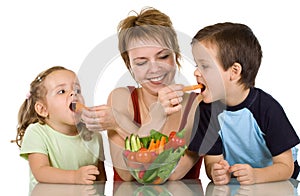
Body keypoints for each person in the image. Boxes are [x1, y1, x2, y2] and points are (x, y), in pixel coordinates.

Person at [81, 7, 203, 181]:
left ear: (175, 55)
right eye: (141, 62)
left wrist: (120, 123)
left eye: (163, 56)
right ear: (129, 65)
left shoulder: (198, 104)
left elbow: (167, 174)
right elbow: (127, 175)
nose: (154, 68)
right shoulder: (120, 98)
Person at [188, 22, 300, 185]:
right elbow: (212, 162)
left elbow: (286, 166)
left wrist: (256, 176)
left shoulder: (267, 108)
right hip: (240, 185)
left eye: (205, 66)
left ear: (234, 72)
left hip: (279, 183)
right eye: (197, 65)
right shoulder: (206, 111)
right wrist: (216, 172)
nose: (196, 72)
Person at [12, 66, 106, 188]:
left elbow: (101, 179)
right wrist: (75, 177)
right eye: (61, 91)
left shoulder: (94, 136)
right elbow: (40, 171)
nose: (73, 93)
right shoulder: (37, 132)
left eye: (77, 90)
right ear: (43, 109)